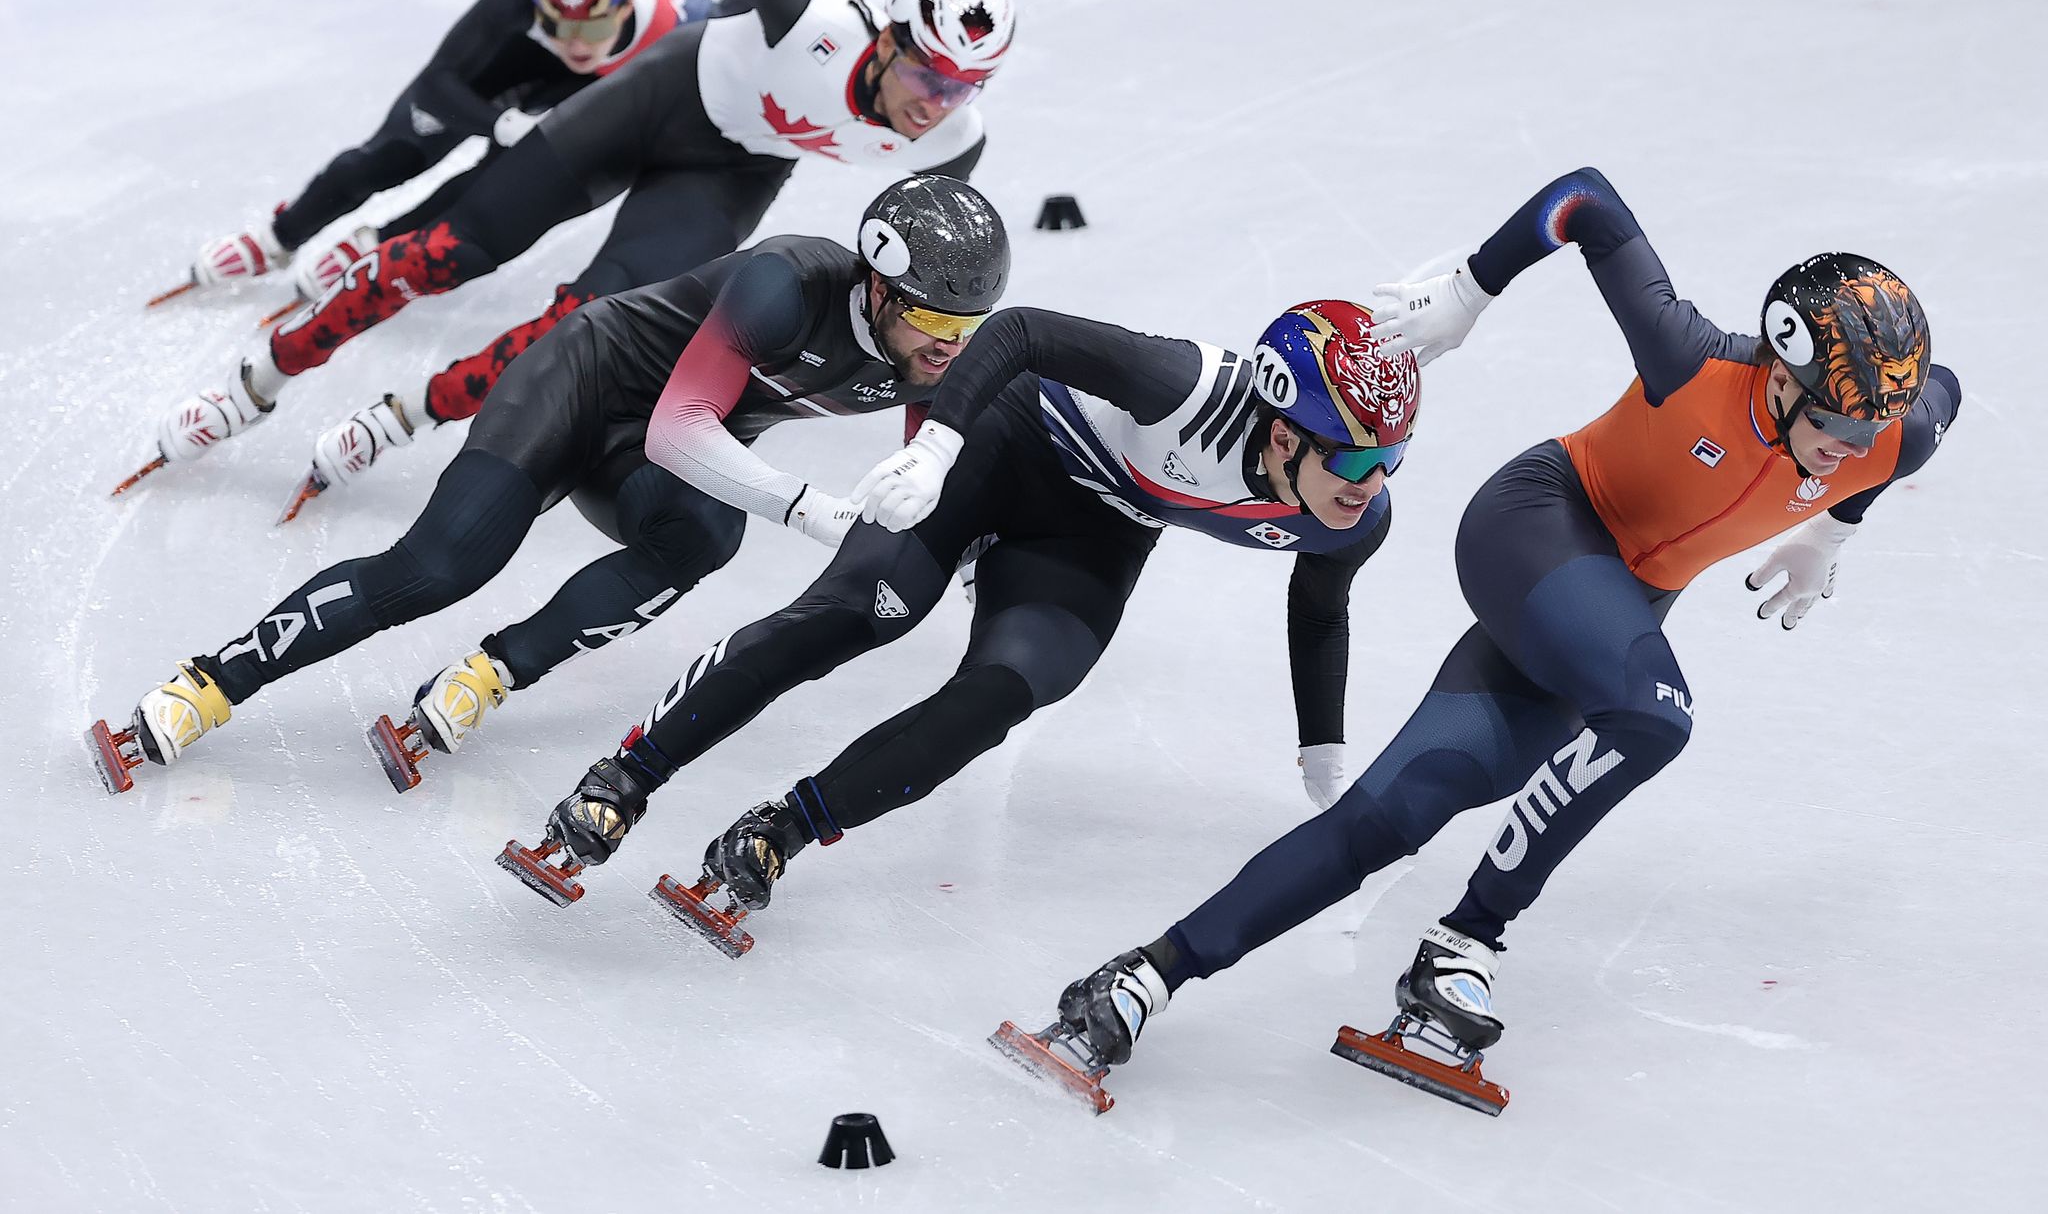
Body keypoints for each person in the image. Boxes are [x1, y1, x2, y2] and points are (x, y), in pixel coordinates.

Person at [999, 167, 1958, 1114]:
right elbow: (1586, 200)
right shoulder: (1693, 357)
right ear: (1780, 367)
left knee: (1389, 816)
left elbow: (1940, 399)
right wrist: (1470, 291)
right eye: (1831, 417)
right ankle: (1470, 942)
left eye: (1870, 422)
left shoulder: (1886, 433)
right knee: (1658, 716)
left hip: (1611, 615)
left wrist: (1835, 528)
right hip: (1537, 528)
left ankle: (1135, 982)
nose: (1849, 443)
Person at [495, 296, 1419, 916]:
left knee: (1002, 696)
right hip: (1007, 442)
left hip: (1088, 536)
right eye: (1354, 461)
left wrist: (1325, 754)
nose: (1369, 486)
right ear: (1286, 429)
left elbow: (1322, 606)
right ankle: (626, 777)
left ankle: (781, 830)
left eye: (1391, 462)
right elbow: (1017, 331)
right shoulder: (1184, 386)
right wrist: (937, 448)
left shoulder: (1351, 519)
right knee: (860, 611)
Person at [85, 178, 1009, 796]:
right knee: (441, 565)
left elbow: (927, 469)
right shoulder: (782, 285)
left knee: (701, 541)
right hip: (582, 386)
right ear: (881, 289)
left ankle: (493, 672)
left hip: (652, 456)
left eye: (972, 324)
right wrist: (807, 507)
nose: (950, 345)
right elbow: (678, 429)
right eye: (933, 317)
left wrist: (961, 549)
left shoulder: (935, 354)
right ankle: (213, 680)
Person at [132, 0, 1015, 509]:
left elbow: (926, 293)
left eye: (962, 89)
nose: (933, 106)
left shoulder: (953, 137)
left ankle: (409, 414)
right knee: (448, 253)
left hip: (731, 173)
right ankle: (262, 380)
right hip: (660, 97)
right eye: (931, 78)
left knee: (577, 327)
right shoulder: (812, 16)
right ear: (892, 37)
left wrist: (927, 450)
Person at [155, 0, 725, 313]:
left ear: (626, 2)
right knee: (389, 155)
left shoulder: (687, 22)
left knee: (492, 184)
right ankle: (279, 237)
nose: (576, 41)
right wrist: (500, 120)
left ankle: (378, 244)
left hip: (609, 87)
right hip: (523, 62)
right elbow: (435, 86)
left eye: (593, 24)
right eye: (556, 21)